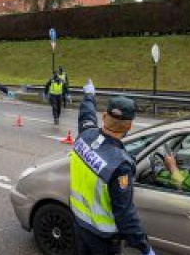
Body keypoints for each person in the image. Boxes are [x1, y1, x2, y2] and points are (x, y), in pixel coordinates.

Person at [70, 79, 155, 255]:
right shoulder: (120, 165)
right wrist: (144, 247)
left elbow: (86, 115)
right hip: (102, 238)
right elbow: (125, 214)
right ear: (129, 126)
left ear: (104, 116)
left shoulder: (86, 135)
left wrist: (89, 96)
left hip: (78, 223)